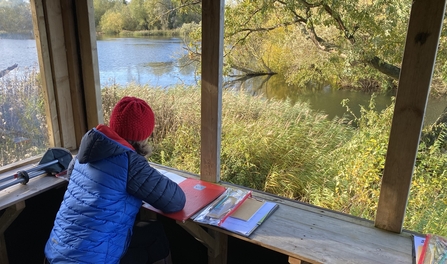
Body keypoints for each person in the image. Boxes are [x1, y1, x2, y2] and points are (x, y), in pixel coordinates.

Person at [44, 96, 186, 264]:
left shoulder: (85, 152)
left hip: (55, 253)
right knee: (155, 237)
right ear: (144, 135)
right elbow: (176, 201)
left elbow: (74, 178)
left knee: (150, 232)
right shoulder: (130, 163)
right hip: (91, 260)